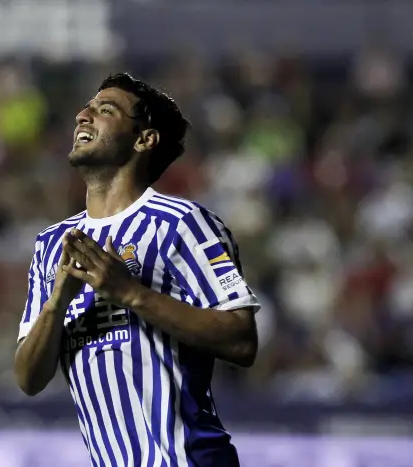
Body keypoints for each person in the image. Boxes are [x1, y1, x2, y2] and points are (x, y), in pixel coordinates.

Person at [14, 73, 260, 467]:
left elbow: (241, 340)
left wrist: (131, 294)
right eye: (86, 108)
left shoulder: (181, 223)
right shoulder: (52, 245)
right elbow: (28, 379)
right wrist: (56, 305)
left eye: (105, 110)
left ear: (144, 139)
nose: (83, 116)